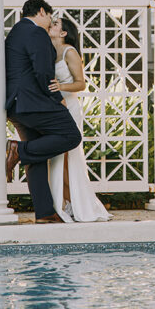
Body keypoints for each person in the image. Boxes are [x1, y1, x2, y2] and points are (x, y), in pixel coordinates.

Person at [5, 0, 81, 224]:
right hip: (35, 103)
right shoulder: (36, 32)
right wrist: (58, 99)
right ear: (41, 11)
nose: (50, 22)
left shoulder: (16, 32)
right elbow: (42, 71)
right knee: (70, 135)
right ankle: (17, 150)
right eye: (49, 16)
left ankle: (45, 213)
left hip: (17, 106)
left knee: (35, 158)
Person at [47, 15, 111, 223]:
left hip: (70, 106)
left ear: (64, 33)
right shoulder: (48, 50)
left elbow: (81, 83)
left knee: (70, 157)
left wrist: (61, 87)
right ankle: (65, 201)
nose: (51, 24)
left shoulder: (69, 51)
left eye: (55, 24)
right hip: (54, 107)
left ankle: (77, 203)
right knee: (58, 158)